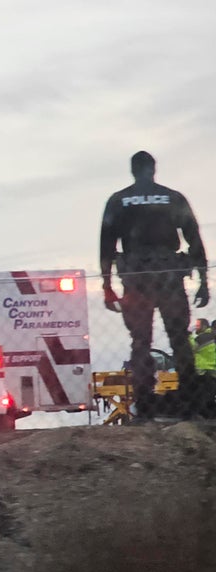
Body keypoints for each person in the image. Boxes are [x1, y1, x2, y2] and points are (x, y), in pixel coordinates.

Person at [101, 150, 209, 422]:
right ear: (153, 168)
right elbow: (194, 238)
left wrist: (107, 285)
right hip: (169, 276)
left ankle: (145, 404)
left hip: (137, 279)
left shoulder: (118, 201)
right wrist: (203, 280)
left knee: (140, 342)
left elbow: (106, 245)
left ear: (133, 170)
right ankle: (190, 402)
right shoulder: (172, 198)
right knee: (180, 339)